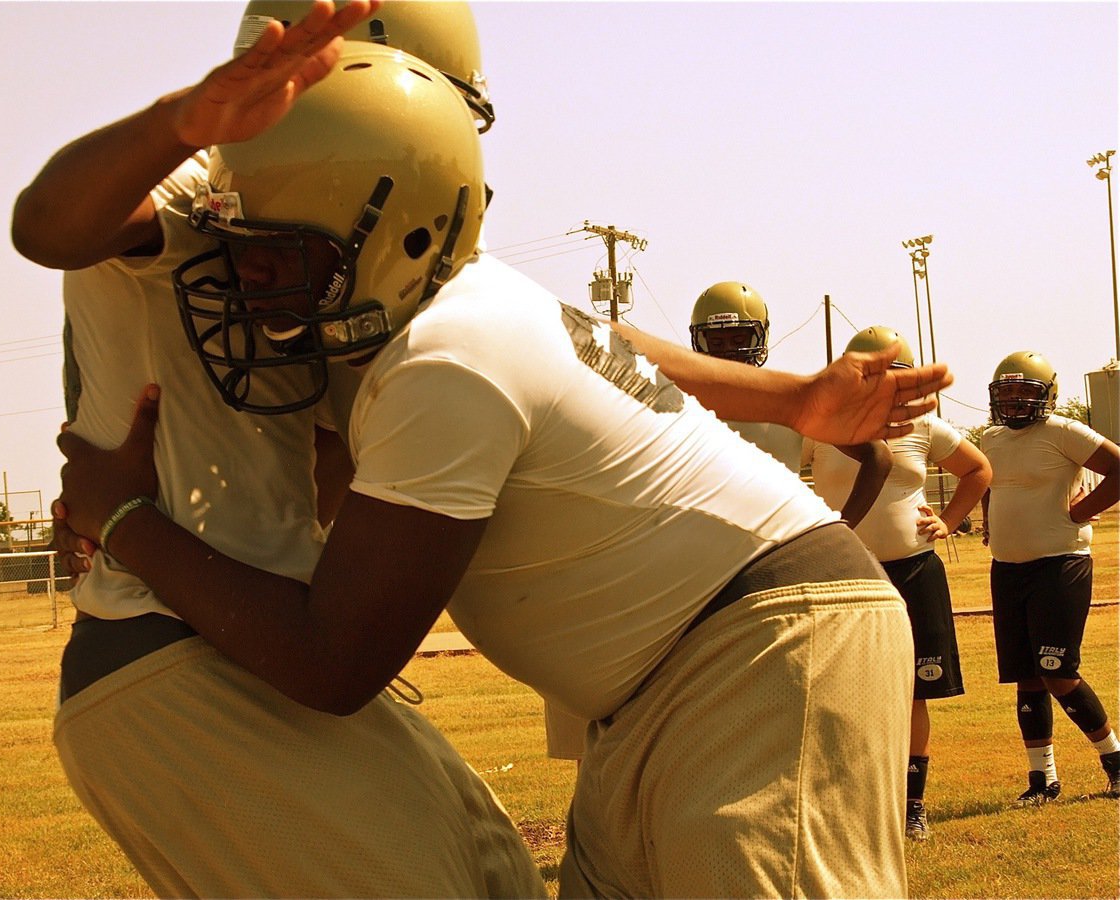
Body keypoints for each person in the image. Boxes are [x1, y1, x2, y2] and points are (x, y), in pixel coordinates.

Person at [48, 17, 953, 898]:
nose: (248, 285)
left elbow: (336, 659)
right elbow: (600, 339)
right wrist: (793, 399)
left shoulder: (443, 355)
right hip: (679, 672)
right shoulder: (438, 304)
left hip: (754, 651)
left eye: (280, 253)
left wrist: (125, 519)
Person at [13, 4, 545, 897]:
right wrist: (180, 120)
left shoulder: (334, 231)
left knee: (500, 881)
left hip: (267, 630)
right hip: (167, 644)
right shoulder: (206, 189)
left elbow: (324, 471)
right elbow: (46, 227)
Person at [543, 283, 893, 765]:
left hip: (760, 576)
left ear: (763, 335)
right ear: (696, 340)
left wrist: (838, 529)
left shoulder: (785, 395)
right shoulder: (675, 392)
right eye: (717, 339)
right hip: (681, 572)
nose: (729, 349)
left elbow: (876, 455)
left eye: (740, 337)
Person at [802, 326, 991, 841]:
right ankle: (851, 800)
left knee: (914, 692)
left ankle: (912, 806)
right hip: (846, 574)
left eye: (893, 376)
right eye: (872, 375)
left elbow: (977, 470)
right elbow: (775, 471)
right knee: (840, 692)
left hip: (914, 570)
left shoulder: (924, 425)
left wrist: (948, 522)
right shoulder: (820, 426)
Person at [981, 350, 1120, 805]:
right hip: (1008, 568)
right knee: (1027, 675)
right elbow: (990, 486)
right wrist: (990, 523)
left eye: (1026, 392)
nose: (1016, 401)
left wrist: (1080, 510)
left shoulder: (1063, 431)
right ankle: (1043, 779)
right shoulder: (991, 438)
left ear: (1048, 396)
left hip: (1061, 562)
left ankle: (1115, 760)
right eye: (1007, 393)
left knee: (1057, 668)